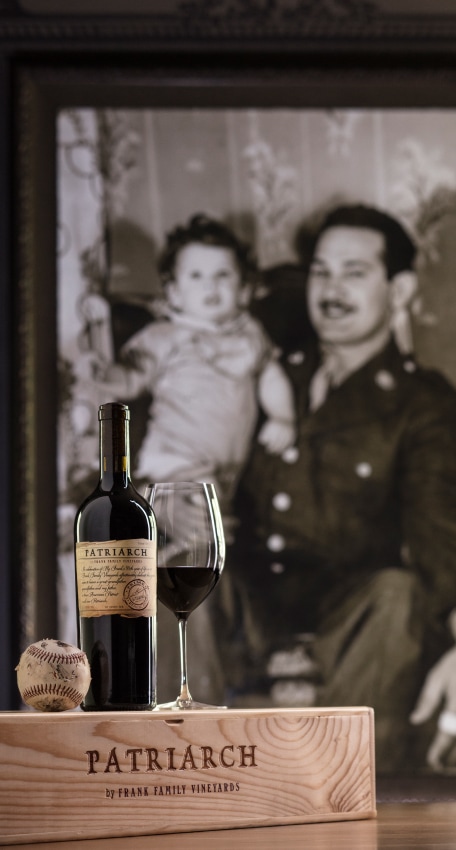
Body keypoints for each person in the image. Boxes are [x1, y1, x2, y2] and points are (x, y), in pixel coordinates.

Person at [233, 203, 456, 772]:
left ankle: (339, 789)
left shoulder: (421, 403)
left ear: (399, 289)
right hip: (251, 618)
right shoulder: (262, 371)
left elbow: (438, 546)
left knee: (399, 594)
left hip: (350, 631)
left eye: (354, 273)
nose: (331, 290)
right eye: (321, 271)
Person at [92, 213, 296, 518]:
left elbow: (270, 375)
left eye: (223, 275)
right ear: (174, 292)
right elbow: (134, 377)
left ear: (244, 290)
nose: (209, 286)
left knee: (215, 522)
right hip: (174, 460)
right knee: (205, 524)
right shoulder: (164, 336)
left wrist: (283, 417)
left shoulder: (251, 333)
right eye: (196, 276)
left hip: (228, 466)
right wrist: (111, 376)